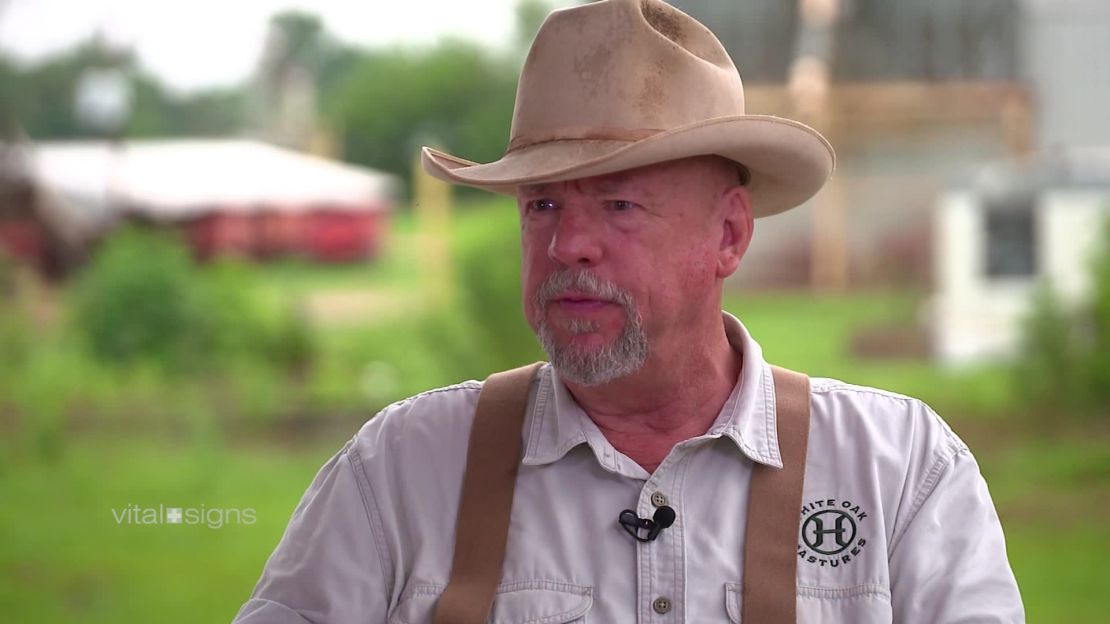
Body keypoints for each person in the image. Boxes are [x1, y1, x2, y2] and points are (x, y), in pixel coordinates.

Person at [232, 1, 1024, 622]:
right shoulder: (402, 473)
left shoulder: (902, 474)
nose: (570, 243)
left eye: (618, 204)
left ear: (729, 234)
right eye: (541, 204)